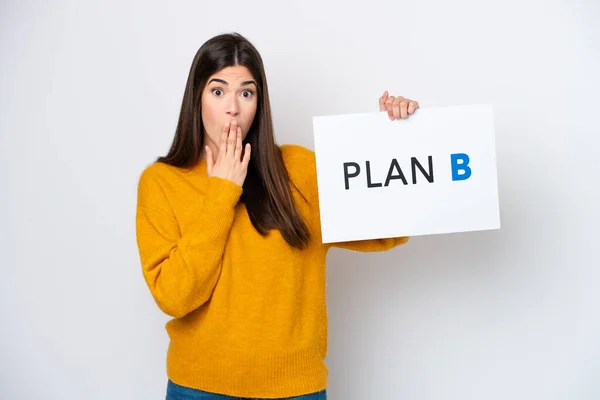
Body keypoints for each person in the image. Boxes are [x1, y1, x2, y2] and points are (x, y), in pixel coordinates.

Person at [135, 32, 420, 400]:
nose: (233, 107)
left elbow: (386, 231)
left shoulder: (299, 171)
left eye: (246, 92)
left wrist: (397, 141)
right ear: (197, 98)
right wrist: (223, 193)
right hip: (198, 389)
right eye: (218, 91)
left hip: (294, 390)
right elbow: (174, 297)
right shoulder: (162, 182)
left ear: (259, 102)